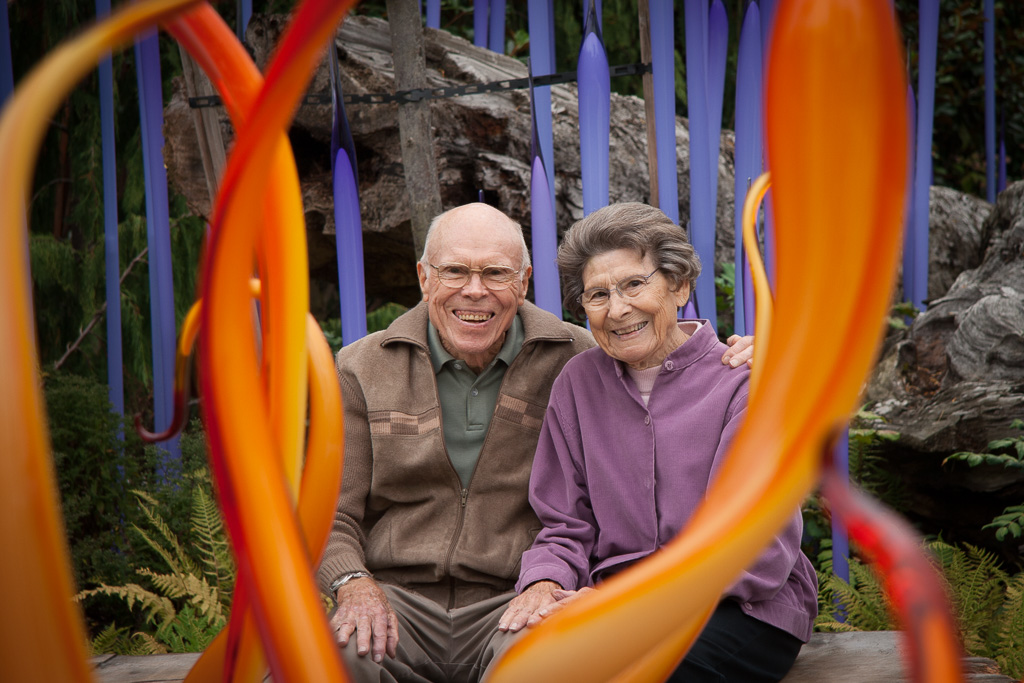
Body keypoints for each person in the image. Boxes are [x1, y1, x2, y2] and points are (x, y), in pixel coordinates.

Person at [317, 202, 754, 683]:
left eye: (495, 273)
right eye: (455, 271)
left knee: (547, 666)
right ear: (424, 277)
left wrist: (765, 355)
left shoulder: (581, 359)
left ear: (523, 282)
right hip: (395, 597)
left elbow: (666, 359)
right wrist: (352, 583)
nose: (475, 289)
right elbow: (330, 513)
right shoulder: (361, 368)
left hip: (517, 598)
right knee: (329, 658)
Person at [498, 202, 817, 683]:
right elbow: (565, 524)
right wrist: (544, 583)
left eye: (634, 284)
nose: (618, 309)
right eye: (597, 294)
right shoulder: (578, 384)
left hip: (742, 608)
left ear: (680, 285)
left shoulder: (746, 382)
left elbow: (754, 546)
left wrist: (625, 602)